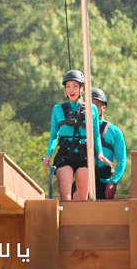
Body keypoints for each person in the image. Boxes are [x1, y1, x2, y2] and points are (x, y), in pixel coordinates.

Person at [43, 70, 109, 201]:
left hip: (84, 154)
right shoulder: (58, 109)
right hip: (65, 153)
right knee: (66, 197)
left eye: (75, 86)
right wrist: (49, 154)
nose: (71, 90)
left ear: (82, 88)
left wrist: (100, 153)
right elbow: (54, 135)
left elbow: (95, 134)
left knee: (82, 198)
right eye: (68, 86)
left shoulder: (92, 109)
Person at [90, 87, 127, 199]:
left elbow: (122, 160)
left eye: (97, 105)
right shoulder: (81, 129)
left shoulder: (114, 132)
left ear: (104, 107)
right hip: (84, 180)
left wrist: (114, 182)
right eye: (91, 105)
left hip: (103, 183)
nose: (93, 108)